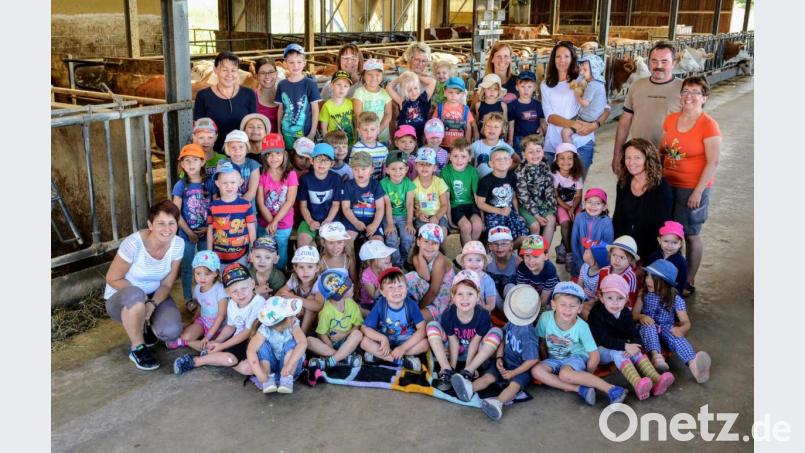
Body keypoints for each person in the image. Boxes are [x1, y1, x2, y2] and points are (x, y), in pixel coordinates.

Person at [660, 76, 722, 296]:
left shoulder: (708, 125)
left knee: (690, 234)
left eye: (695, 92)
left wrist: (698, 191)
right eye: (685, 91)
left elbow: (713, 161)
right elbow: (664, 150)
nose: (689, 96)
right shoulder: (671, 119)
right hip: (669, 183)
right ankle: (668, 273)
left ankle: (689, 279)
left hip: (692, 187)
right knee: (669, 232)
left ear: (704, 98)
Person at [104, 200, 184, 370]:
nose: (167, 228)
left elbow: (167, 284)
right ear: (150, 225)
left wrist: (153, 304)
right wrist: (141, 299)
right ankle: (137, 347)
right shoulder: (134, 244)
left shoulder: (178, 244)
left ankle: (145, 325)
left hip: (153, 294)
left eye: (171, 223)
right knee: (136, 295)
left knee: (172, 330)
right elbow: (112, 278)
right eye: (160, 223)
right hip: (124, 298)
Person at [532, 281, 629, 407]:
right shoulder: (545, 318)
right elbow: (541, 342)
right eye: (563, 304)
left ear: (579, 308)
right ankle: (579, 389)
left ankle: (612, 389)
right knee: (536, 371)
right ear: (554, 305)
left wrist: (585, 375)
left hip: (576, 357)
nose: (567, 309)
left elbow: (595, 357)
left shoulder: (582, 327)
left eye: (572, 306)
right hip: (554, 359)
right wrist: (545, 360)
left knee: (565, 374)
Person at [588, 274, 675, 400]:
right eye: (610, 298)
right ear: (601, 298)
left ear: (626, 298)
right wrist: (625, 346)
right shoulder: (596, 313)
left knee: (636, 352)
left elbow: (633, 332)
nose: (615, 303)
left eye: (620, 298)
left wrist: (635, 345)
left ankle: (656, 379)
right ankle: (637, 383)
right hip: (600, 350)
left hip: (622, 345)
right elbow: (603, 339)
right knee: (618, 352)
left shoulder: (625, 312)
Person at [172, 264, 266, 377]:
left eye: (244, 288)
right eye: (234, 291)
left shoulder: (259, 302)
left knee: (248, 368)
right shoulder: (232, 303)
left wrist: (222, 346)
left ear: (252, 284)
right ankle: (195, 361)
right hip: (238, 340)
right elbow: (230, 326)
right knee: (228, 358)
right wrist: (218, 341)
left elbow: (247, 333)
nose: (240, 294)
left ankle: (212, 357)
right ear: (227, 292)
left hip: (255, 341)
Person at [466, 285, 541, 421]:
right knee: (488, 377)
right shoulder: (512, 322)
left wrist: (513, 373)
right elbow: (502, 338)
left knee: (514, 386)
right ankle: (468, 388)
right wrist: (499, 357)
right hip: (505, 361)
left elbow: (532, 359)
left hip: (521, 369)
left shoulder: (528, 333)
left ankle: (498, 402)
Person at [633, 260, 711, 383]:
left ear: (664, 282)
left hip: (665, 327)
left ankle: (693, 364)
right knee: (649, 326)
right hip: (646, 328)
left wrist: (681, 329)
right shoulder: (644, 293)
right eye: (647, 276)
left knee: (675, 335)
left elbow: (686, 322)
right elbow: (634, 315)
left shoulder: (675, 298)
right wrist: (641, 317)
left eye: (653, 278)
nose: (648, 280)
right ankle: (656, 357)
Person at [612, 41, 682, 174]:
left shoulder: (683, 88)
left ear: (674, 63)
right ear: (648, 62)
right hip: (638, 155)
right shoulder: (637, 86)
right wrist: (617, 153)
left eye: (664, 61)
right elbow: (625, 122)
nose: (658, 66)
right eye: (654, 61)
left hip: (670, 157)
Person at [427, 270, 502, 393]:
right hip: (453, 351)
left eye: (470, 294)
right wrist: (452, 366)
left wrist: (469, 367)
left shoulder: (483, 315)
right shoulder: (448, 314)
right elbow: (453, 341)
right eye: (460, 294)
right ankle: (446, 369)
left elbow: (475, 342)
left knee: (497, 332)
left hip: (476, 354)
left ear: (478, 296)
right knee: (432, 325)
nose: (465, 298)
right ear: (453, 296)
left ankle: (468, 372)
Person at [541, 41, 609, 171]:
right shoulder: (546, 84)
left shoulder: (583, 80)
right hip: (554, 143)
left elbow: (605, 108)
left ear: (573, 59)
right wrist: (573, 124)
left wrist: (595, 125)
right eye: (558, 56)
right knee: (554, 189)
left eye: (566, 56)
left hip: (582, 141)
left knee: (577, 188)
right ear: (553, 59)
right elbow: (549, 116)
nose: (562, 60)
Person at [612, 138, 673, 260]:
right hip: (626, 247)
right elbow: (618, 219)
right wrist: (619, 249)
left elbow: (658, 229)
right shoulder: (623, 183)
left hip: (651, 250)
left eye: (637, 157)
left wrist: (639, 259)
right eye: (628, 157)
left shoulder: (661, 188)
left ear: (648, 160)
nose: (631, 162)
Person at [361, 267, 430, 370]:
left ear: (407, 288)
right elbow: (365, 328)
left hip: (405, 341)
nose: (396, 290)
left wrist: (403, 348)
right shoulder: (381, 305)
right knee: (364, 342)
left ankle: (381, 356)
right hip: (385, 341)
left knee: (425, 344)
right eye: (391, 287)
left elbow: (422, 330)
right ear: (382, 292)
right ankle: (401, 361)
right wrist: (382, 338)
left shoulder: (411, 305)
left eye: (400, 286)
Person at [172, 144, 215, 303]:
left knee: (206, 265)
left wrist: (208, 227)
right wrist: (189, 232)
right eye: (187, 161)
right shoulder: (181, 185)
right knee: (187, 267)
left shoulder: (210, 184)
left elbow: (215, 207)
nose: (191, 164)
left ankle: (206, 295)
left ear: (202, 162)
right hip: (186, 233)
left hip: (206, 233)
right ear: (182, 164)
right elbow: (175, 213)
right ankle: (188, 298)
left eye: (195, 160)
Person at [193, 51, 257, 152]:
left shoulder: (249, 94)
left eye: (233, 70)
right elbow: (199, 130)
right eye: (224, 70)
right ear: (215, 70)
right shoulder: (203, 96)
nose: (229, 74)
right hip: (213, 154)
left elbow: (253, 126)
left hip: (241, 155)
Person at [168, 250, 228, 351]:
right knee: (185, 336)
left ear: (215, 273)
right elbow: (200, 306)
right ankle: (189, 341)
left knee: (211, 347)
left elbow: (221, 316)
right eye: (198, 273)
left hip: (219, 327)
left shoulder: (220, 289)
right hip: (203, 322)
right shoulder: (197, 288)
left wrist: (208, 336)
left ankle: (189, 343)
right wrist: (192, 322)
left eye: (207, 274)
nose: (202, 278)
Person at [248, 296, 308, 394]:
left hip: (291, 367)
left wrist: (289, 365)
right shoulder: (265, 329)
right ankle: (267, 378)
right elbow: (251, 350)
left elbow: (303, 343)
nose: (295, 316)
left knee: (292, 344)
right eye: (292, 315)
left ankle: (286, 379)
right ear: (288, 319)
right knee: (262, 346)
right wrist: (258, 372)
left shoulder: (293, 324)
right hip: (273, 367)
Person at [307, 270, 365, 370]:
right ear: (341, 293)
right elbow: (322, 334)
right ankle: (343, 358)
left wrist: (344, 334)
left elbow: (357, 326)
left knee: (358, 334)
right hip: (329, 345)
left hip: (347, 342)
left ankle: (331, 361)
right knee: (309, 341)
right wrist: (331, 348)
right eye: (349, 287)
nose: (353, 286)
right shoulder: (326, 311)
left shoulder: (352, 305)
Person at [256, 134, 297, 269]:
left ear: (284, 154)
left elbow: (290, 201)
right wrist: (270, 222)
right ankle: (265, 275)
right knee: (264, 251)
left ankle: (279, 275)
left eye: (278, 153)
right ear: (264, 157)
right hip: (264, 222)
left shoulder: (290, 174)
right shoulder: (262, 173)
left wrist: (275, 222)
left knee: (281, 249)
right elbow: (261, 203)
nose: (274, 158)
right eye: (269, 154)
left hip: (284, 223)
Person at [207, 161, 257, 267]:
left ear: (240, 182)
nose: (229, 186)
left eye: (233, 182)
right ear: (217, 183)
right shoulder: (213, 206)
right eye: (224, 183)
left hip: (241, 256)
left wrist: (253, 251)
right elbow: (210, 231)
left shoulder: (246, 205)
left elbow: (252, 231)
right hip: (218, 257)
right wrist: (209, 252)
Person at [476, 146, 530, 244]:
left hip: (510, 212)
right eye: (498, 159)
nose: (503, 161)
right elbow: (480, 204)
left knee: (523, 232)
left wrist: (517, 213)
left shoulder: (512, 176)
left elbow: (513, 196)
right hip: (493, 214)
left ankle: (512, 252)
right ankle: (497, 250)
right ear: (491, 164)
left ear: (510, 162)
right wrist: (499, 211)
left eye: (506, 158)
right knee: (498, 237)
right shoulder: (486, 181)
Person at [296, 143, 344, 247]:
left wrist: (328, 220)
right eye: (318, 159)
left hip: (331, 220)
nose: (322, 164)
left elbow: (336, 205)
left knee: (329, 246)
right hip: (309, 219)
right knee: (303, 244)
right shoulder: (305, 179)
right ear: (312, 161)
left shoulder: (336, 179)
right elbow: (303, 206)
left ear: (332, 163)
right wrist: (310, 221)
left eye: (326, 160)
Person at [406, 223, 455, 322]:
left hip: (442, 301)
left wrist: (418, 309)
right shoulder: (416, 258)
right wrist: (420, 255)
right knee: (409, 277)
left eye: (435, 243)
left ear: (439, 245)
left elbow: (433, 291)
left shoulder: (440, 261)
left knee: (416, 319)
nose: (430, 246)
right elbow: (426, 277)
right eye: (426, 241)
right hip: (427, 295)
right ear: (418, 242)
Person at [276, 43, 321, 150]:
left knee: (303, 158)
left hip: (305, 133)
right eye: (291, 62)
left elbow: (315, 109)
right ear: (285, 63)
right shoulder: (282, 84)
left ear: (304, 63)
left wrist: (312, 132)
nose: (295, 66)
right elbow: (280, 109)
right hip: (286, 132)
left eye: (299, 62)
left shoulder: (310, 84)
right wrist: (279, 130)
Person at [561, 54, 608, 156]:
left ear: (594, 69)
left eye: (585, 69)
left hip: (586, 119)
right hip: (593, 117)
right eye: (581, 68)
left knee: (565, 132)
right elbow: (578, 79)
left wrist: (576, 93)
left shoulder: (592, 85)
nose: (581, 71)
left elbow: (585, 103)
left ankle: (573, 154)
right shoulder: (599, 82)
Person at [584, 236, 640, 318]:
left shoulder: (630, 277)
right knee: (581, 307)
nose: (617, 260)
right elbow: (600, 292)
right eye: (614, 255)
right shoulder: (603, 271)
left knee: (597, 317)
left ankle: (599, 326)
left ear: (630, 260)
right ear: (610, 255)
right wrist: (594, 302)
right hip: (603, 303)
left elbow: (631, 300)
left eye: (622, 257)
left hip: (619, 309)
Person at [515, 134, 557, 245]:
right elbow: (524, 198)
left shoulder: (545, 166)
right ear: (523, 154)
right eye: (530, 152)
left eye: (538, 151)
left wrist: (552, 209)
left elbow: (549, 190)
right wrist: (537, 215)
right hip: (526, 206)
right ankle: (532, 253)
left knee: (551, 220)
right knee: (535, 226)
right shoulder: (520, 172)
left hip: (541, 204)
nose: (535, 155)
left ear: (543, 152)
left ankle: (543, 253)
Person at [440, 138, 483, 245]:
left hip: (470, 205)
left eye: (463, 156)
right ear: (450, 157)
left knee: (477, 225)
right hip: (455, 207)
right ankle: (467, 253)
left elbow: (477, 198)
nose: (459, 160)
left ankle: (473, 251)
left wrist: (483, 219)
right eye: (455, 156)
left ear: (469, 158)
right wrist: (449, 221)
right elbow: (446, 199)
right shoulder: (445, 173)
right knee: (466, 226)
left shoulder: (472, 171)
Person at [552, 143, 585, 272]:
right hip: (561, 205)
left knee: (578, 222)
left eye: (569, 158)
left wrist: (573, 207)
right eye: (562, 158)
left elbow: (578, 195)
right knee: (565, 223)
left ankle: (576, 250)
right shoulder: (554, 175)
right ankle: (570, 253)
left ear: (574, 160)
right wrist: (567, 207)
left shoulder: (577, 175)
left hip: (575, 205)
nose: (566, 161)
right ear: (556, 160)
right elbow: (556, 196)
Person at [381, 150, 416, 268]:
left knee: (408, 237)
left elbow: (410, 204)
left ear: (406, 169)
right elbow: (387, 205)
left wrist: (410, 222)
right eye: (393, 169)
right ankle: (396, 263)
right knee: (391, 238)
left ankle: (404, 259)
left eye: (401, 168)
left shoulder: (409, 184)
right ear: (386, 170)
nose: (397, 172)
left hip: (404, 216)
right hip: (388, 215)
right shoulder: (383, 184)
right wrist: (390, 224)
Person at [341, 151, 386, 243]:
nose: (359, 172)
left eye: (363, 169)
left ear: (372, 170)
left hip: (373, 220)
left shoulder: (376, 185)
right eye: (355, 169)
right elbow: (345, 208)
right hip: (352, 220)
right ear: (351, 169)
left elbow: (380, 208)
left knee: (378, 243)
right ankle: (351, 257)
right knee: (346, 242)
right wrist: (355, 222)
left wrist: (374, 225)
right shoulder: (348, 185)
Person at [277, 246, 324, 334]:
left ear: (317, 268)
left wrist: (293, 297)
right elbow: (281, 292)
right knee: (287, 294)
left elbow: (319, 306)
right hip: (300, 311)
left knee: (310, 297)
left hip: (318, 317)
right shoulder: (294, 278)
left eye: (310, 267)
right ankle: (284, 328)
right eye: (301, 267)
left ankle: (302, 333)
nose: (305, 271)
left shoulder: (319, 282)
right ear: (295, 268)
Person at [569, 188, 614, 277]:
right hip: (579, 263)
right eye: (589, 202)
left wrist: (597, 266)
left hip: (598, 266)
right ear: (584, 204)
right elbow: (574, 241)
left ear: (604, 207)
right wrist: (579, 263)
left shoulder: (607, 223)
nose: (593, 206)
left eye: (598, 203)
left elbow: (608, 246)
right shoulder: (579, 218)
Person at [509, 235, 559, 307]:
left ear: (546, 256)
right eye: (527, 255)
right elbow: (522, 291)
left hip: (548, 295)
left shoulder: (550, 271)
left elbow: (544, 300)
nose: (531, 260)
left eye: (536, 256)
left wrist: (532, 311)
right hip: (531, 295)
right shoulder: (522, 268)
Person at [386, 70, 436, 144]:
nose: (414, 92)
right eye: (409, 90)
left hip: (420, 136)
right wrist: (401, 78)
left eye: (415, 88)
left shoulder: (424, 98)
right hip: (405, 138)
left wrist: (416, 76)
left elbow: (433, 81)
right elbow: (388, 87)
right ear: (404, 91)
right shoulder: (402, 101)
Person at [352, 58, 392, 143]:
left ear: (382, 76)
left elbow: (388, 115)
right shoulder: (359, 93)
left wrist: (378, 131)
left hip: (382, 136)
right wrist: (370, 133)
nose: (374, 77)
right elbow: (359, 115)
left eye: (378, 74)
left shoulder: (386, 93)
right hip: (365, 136)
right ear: (363, 75)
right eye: (370, 74)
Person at [410, 148, 450, 232]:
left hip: (439, 215)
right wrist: (418, 214)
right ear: (416, 166)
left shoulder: (439, 182)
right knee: (423, 232)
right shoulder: (412, 185)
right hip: (422, 217)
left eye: (429, 164)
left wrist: (437, 217)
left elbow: (444, 205)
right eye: (421, 164)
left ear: (435, 167)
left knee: (442, 231)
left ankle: (438, 245)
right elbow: (410, 206)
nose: (424, 167)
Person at [507, 70, 545, 156]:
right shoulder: (513, 105)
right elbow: (511, 124)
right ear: (517, 87)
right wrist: (510, 140)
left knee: (534, 158)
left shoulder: (538, 105)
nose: (526, 90)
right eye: (522, 86)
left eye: (529, 86)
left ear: (534, 88)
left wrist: (542, 130)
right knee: (521, 159)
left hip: (535, 138)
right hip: (519, 139)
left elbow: (542, 121)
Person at [644, 221, 689, 294]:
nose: (669, 246)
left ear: (680, 244)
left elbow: (681, 283)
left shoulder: (681, 262)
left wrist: (675, 297)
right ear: (659, 240)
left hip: (669, 297)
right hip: (651, 293)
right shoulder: (653, 256)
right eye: (666, 241)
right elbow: (646, 275)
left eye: (674, 242)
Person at [317, 222, 359, 295]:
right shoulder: (322, 262)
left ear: (344, 242)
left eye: (339, 242)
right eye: (331, 243)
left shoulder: (348, 260)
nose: (335, 247)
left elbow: (354, 280)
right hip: (327, 298)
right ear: (323, 243)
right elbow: (317, 284)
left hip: (346, 297)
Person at [456, 242, 498, 311]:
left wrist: (477, 307)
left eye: (478, 260)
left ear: (484, 262)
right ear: (463, 262)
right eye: (469, 260)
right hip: (462, 311)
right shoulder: (459, 277)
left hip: (480, 313)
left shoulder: (487, 280)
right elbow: (454, 298)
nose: (474, 263)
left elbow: (491, 306)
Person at [433, 76, 473, 149]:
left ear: (463, 94)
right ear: (445, 92)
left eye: (457, 93)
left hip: (460, 146)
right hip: (442, 145)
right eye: (450, 92)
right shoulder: (439, 108)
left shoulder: (465, 109)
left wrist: (467, 143)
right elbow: (434, 125)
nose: (453, 96)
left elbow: (468, 127)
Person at [485, 226, 520, 308]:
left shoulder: (517, 261)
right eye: (495, 244)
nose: (499, 248)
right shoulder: (486, 261)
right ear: (490, 246)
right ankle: (503, 310)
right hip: (493, 297)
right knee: (489, 286)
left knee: (509, 287)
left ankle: (511, 310)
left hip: (511, 296)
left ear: (511, 245)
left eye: (504, 243)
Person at [471, 112, 515, 178]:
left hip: (496, 185)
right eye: (488, 126)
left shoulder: (505, 147)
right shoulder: (475, 145)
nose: (492, 129)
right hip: (478, 183)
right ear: (483, 127)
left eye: (496, 127)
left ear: (502, 130)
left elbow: (517, 161)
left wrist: (504, 168)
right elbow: (470, 164)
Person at [222, 130, 260, 204]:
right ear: (228, 150)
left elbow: (251, 192)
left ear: (247, 147)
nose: (237, 150)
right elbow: (222, 187)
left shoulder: (253, 165)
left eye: (241, 147)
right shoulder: (223, 163)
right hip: (228, 205)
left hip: (248, 208)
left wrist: (238, 206)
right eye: (233, 147)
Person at [357, 240, 395, 314]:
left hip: (385, 297)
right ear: (369, 261)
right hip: (369, 304)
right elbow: (374, 296)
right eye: (382, 256)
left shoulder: (387, 266)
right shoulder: (366, 275)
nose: (387, 257)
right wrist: (385, 276)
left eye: (387, 254)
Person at [319, 70, 356, 145]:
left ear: (349, 88)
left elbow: (354, 121)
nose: (342, 88)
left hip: (349, 140)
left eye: (346, 86)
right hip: (334, 142)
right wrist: (327, 143)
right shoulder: (327, 106)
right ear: (332, 86)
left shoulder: (350, 103)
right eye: (339, 85)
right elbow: (324, 128)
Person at [352, 111, 389, 181]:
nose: (369, 133)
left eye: (372, 129)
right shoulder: (356, 149)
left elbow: (385, 170)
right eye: (365, 130)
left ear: (378, 130)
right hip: (362, 183)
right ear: (359, 131)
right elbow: (353, 169)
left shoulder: (383, 149)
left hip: (379, 184)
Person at [474, 73, 508, 140]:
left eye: (495, 89)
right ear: (483, 90)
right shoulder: (478, 105)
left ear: (499, 91)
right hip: (483, 138)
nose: (492, 91)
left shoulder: (503, 105)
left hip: (499, 138)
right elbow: (477, 122)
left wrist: (506, 138)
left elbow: (505, 123)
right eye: (489, 88)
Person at [253, 57, 280, 133]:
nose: (267, 76)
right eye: (262, 73)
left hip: (285, 143)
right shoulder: (251, 97)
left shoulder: (285, 97)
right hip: (260, 143)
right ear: (256, 76)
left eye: (271, 72)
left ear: (276, 73)